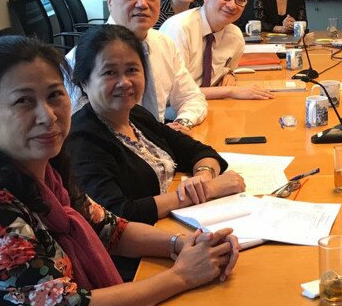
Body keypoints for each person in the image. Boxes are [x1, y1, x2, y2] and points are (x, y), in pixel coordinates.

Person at [0, 36, 239, 306]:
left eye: (54, 95)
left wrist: (183, 243)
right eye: (23, 101)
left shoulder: (50, 174)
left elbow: (110, 228)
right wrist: (182, 276)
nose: (48, 115)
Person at [68, 25, 245, 276]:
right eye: (109, 73)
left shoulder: (136, 116)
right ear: (84, 81)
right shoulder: (83, 139)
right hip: (139, 261)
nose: (125, 82)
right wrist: (209, 190)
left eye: (132, 70)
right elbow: (118, 215)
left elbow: (200, 151)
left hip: (174, 230)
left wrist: (203, 176)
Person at [65, 0, 207, 133]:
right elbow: (72, 125)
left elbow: (191, 97)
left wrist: (181, 124)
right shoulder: (82, 56)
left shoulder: (164, 44)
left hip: (158, 145)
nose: (142, 3)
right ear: (110, 1)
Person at [160, 0, 274, 101]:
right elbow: (173, 93)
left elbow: (229, 70)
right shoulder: (179, 29)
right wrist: (230, 91)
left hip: (215, 107)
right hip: (174, 114)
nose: (232, 5)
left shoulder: (235, 36)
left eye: (240, 0)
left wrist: (230, 75)